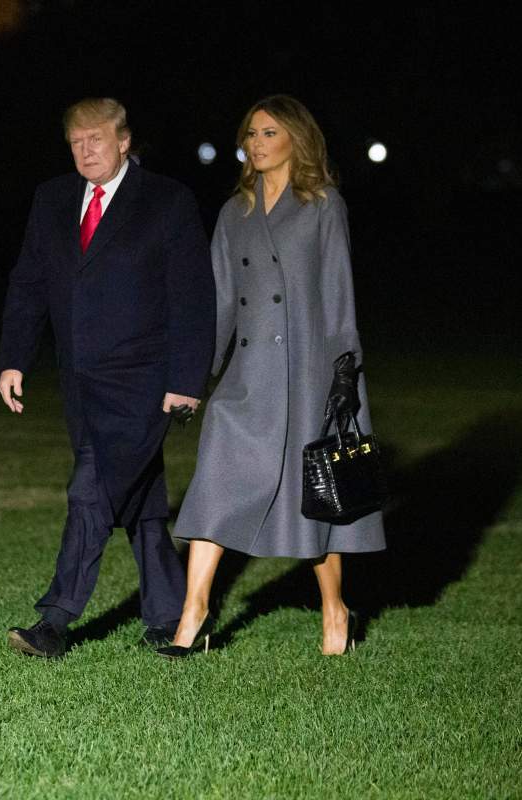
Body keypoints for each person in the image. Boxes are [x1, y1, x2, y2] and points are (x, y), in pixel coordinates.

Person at [161, 95, 386, 659]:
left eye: (268, 133)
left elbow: (339, 296)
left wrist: (344, 372)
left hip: (310, 373)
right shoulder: (233, 212)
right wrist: (192, 377)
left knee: (316, 501)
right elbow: (218, 304)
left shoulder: (323, 205)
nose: (256, 144)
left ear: (296, 139)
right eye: (251, 134)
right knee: (213, 483)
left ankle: (335, 612)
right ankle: (194, 617)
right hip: (247, 377)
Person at [0, 97, 216, 658]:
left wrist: (187, 380)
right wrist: (14, 359)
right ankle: (169, 615)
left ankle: (55, 621)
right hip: (80, 383)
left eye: (97, 139)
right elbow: (29, 285)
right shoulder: (51, 200)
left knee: (90, 490)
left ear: (124, 142)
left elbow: (192, 299)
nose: (85, 150)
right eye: (75, 141)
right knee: (139, 495)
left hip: (144, 382)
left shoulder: (167, 201)